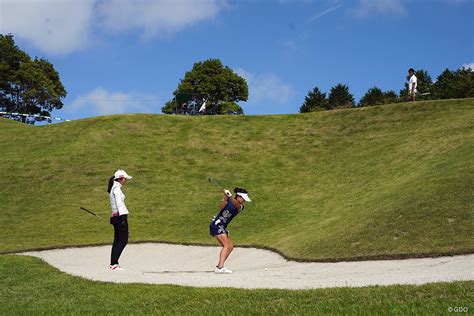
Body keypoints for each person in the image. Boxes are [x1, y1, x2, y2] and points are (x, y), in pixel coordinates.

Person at [210, 187, 251, 273]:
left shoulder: (241, 206)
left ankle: (219, 266)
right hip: (217, 225)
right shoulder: (229, 199)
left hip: (222, 226)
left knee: (230, 247)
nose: (244, 201)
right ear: (239, 197)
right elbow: (221, 207)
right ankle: (220, 267)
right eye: (243, 199)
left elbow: (236, 204)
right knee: (226, 245)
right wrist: (225, 196)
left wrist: (230, 196)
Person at [107, 169, 133, 271]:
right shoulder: (117, 189)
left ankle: (113, 263)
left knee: (117, 241)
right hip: (120, 217)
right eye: (125, 179)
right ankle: (114, 264)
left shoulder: (114, 187)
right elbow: (119, 204)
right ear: (121, 179)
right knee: (123, 240)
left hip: (116, 216)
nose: (125, 181)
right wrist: (122, 219)